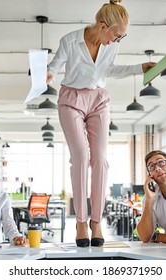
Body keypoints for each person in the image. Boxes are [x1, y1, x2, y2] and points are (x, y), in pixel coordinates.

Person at [47, 0, 155, 247]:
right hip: (71, 98)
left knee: (100, 159)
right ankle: (81, 222)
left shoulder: (110, 46)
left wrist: (140, 68)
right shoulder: (70, 41)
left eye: (121, 37)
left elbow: (109, 70)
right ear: (103, 26)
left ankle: (96, 221)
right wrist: (48, 74)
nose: (117, 41)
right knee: (81, 157)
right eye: (117, 36)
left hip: (98, 100)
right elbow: (54, 67)